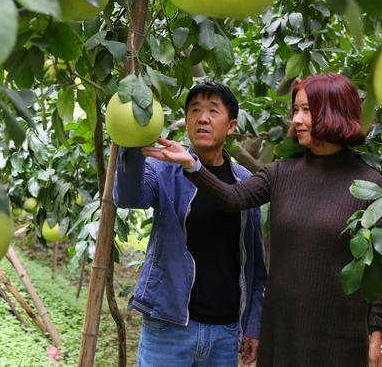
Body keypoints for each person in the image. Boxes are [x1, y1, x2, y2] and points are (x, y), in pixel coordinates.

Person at [143, 73, 382, 367]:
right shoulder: (282, 173)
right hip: (283, 330)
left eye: (306, 110)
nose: (297, 120)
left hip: (339, 333)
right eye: (295, 110)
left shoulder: (369, 183)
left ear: (334, 111)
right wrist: (192, 165)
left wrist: (377, 335)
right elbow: (232, 198)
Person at [113, 81, 267, 366]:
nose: (202, 118)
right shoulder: (165, 167)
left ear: (231, 126)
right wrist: (131, 142)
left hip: (225, 331)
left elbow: (255, 264)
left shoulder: (245, 181)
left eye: (212, 110)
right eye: (195, 110)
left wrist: (253, 325)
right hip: (168, 327)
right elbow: (128, 197)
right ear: (186, 121)